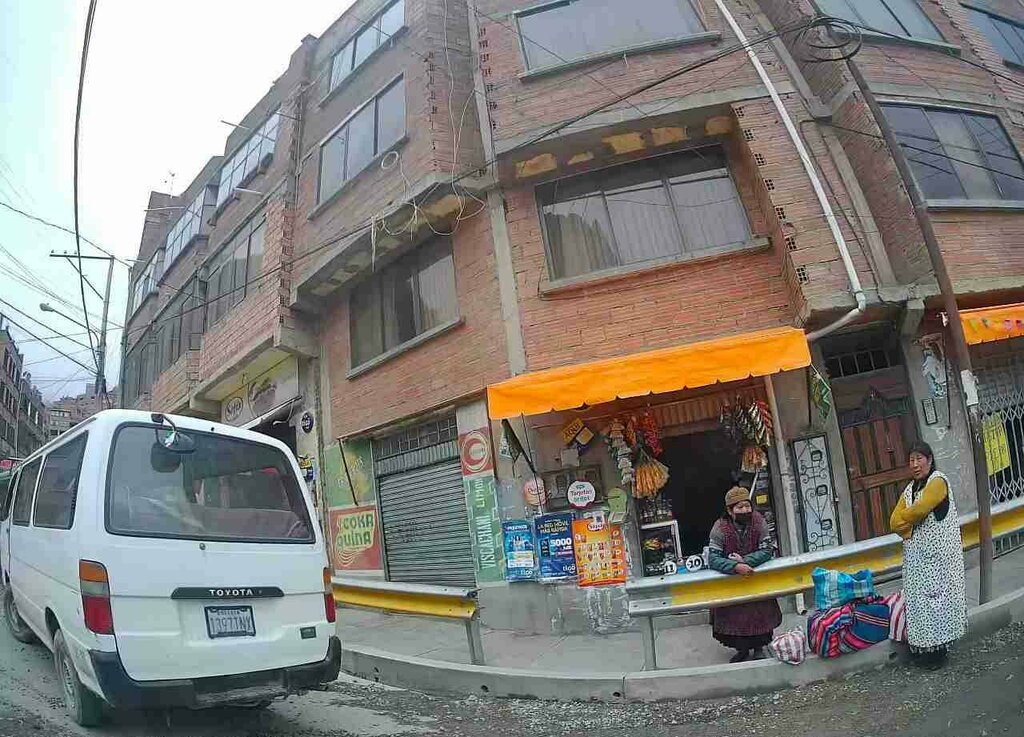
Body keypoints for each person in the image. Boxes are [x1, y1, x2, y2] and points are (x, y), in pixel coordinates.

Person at [889, 441, 968, 670]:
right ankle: (926, 650)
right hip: (918, 562)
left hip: (939, 560)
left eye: (919, 459)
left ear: (930, 459)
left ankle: (939, 653)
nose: (914, 464)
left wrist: (909, 521)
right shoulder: (910, 489)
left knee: (938, 604)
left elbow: (919, 511)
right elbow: (894, 522)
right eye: (911, 460)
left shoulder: (938, 481)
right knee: (921, 606)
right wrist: (908, 522)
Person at [708, 486, 782, 662]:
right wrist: (735, 567)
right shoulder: (719, 527)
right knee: (735, 619)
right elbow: (713, 558)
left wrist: (745, 561)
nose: (745, 510)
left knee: (759, 614)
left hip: (754, 578)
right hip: (731, 582)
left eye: (747, 506)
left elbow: (767, 550)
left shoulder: (759, 522)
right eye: (739, 507)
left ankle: (758, 648)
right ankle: (742, 651)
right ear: (730, 510)